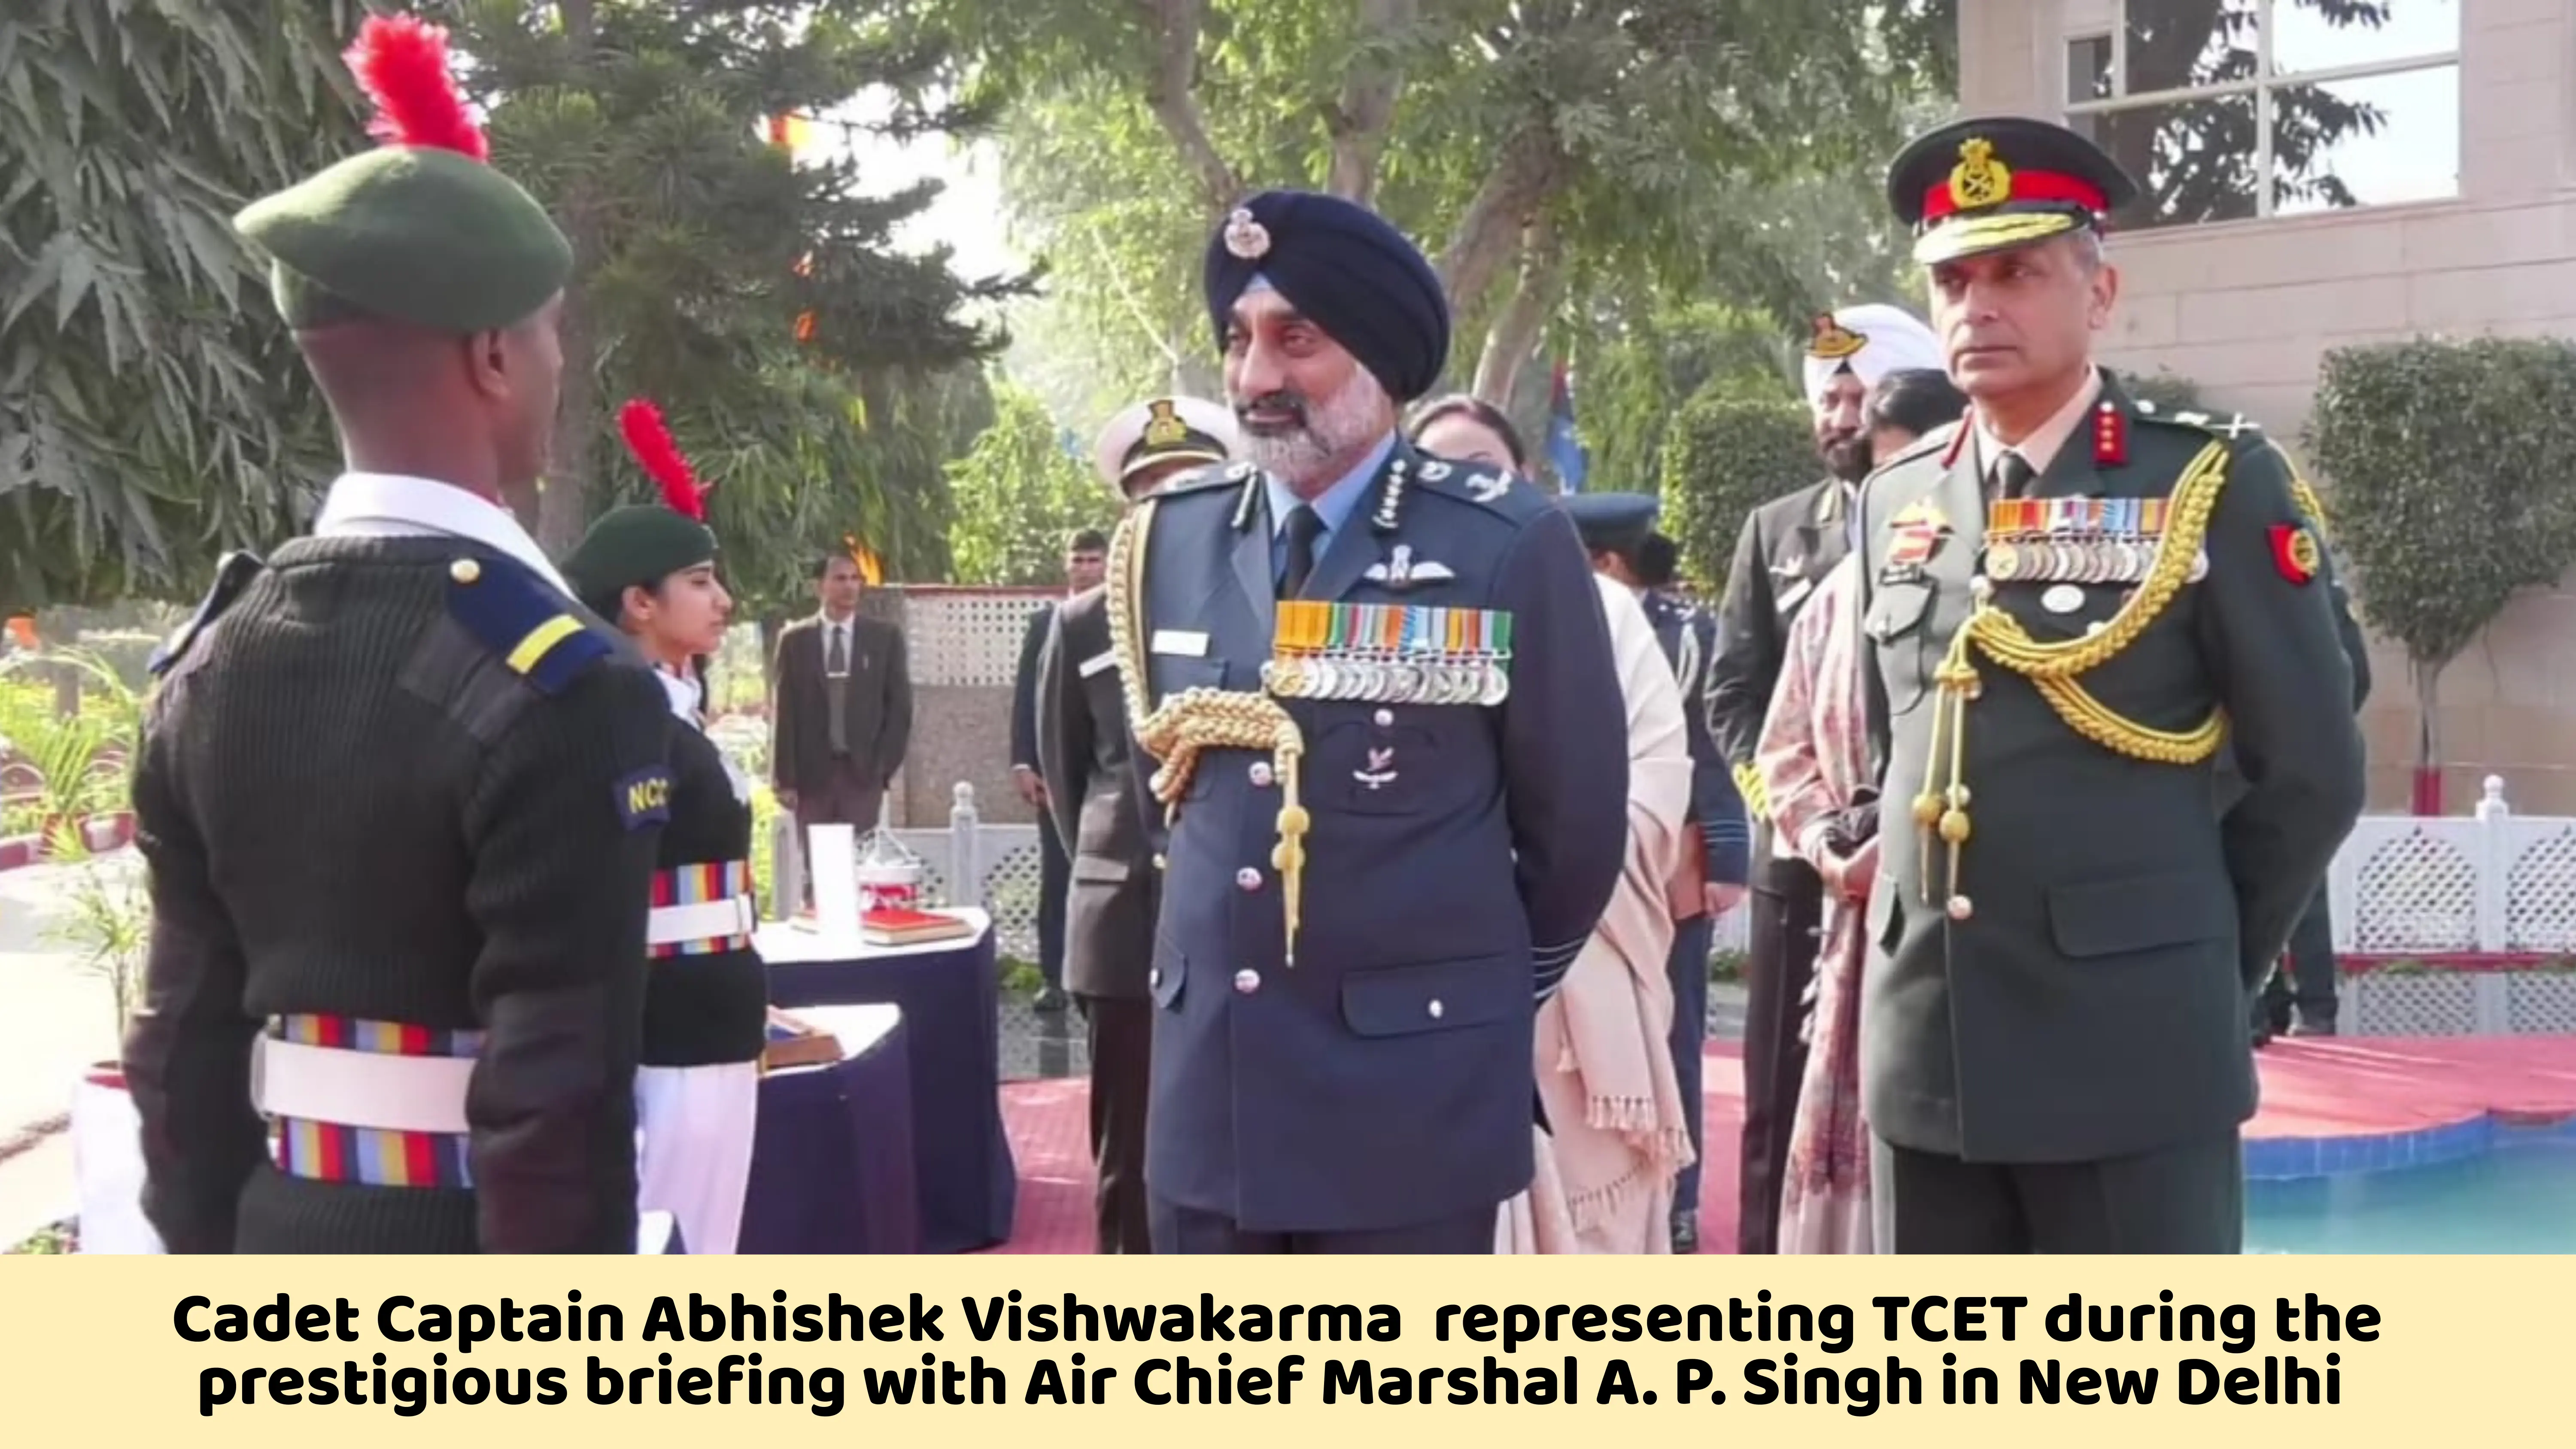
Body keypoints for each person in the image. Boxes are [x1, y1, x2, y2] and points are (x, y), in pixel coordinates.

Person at [122, 13, 673, 1254]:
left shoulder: (206, 667)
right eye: (546, 337)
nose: (551, 368)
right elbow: (557, 1106)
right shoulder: (563, 686)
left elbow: (180, 1050)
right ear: (491, 355)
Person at [1853, 115, 2365, 1253]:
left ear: (2100, 292)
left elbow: (2313, 773)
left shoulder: (2212, 479)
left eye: (2017, 271)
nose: (1978, 304)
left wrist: (2188, 955)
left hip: (2131, 1050)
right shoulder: (1896, 502)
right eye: (1952, 278)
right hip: (1928, 1045)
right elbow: (1900, 747)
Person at [1109, 189, 1630, 1253]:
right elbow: (1162, 797)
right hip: (1210, 1096)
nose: (1256, 377)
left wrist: (1460, 997)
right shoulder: (1169, 541)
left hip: (1403, 1104)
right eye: (1239, 340)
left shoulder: (1504, 543)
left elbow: (1574, 835)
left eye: (1295, 339)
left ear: (1379, 359)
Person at [1708, 300, 1942, 1255]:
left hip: (1926, 865)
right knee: (1777, 1093)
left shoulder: (1955, 513)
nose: (1839, 414)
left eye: (1856, 393)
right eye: (1827, 397)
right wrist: (1805, 825)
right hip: (1805, 865)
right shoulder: (1777, 531)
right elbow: (1734, 696)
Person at [1757, 365, 1967, 1255]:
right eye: (1888, 481)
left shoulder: (2004, 583)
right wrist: (1827, 847)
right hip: (1855, 934)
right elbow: (1782, 748)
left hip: (1981, 940)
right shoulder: (1832, 600)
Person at [561, 400, 767, 1256]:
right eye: (699, 582)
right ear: (638, 602)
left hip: (715, 1011)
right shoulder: (622, 722)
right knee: (673, 1240)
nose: (722, 601)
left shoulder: (671, 711)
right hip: (667, 1022)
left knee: (708, 1241)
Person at [1036, 394, 1240, 1254]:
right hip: (1124, 919)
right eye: (1150, 487)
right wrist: (1120, 862)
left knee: (1236, 1138)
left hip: (1235, 917)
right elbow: (1065, 773)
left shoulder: (1253, 605)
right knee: (1130, 1148)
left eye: (1188, 486)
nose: (1168, 503)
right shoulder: (1082, 621)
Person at [1556, 492, 1752, 1255]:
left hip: (1663, 856)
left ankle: (1677, 1196)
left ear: (1605, 562)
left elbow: (1707, 748)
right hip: (1569, 858)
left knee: (1670, 1028)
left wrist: (1727, 852)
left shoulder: (1680, 634)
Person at [1012, 530, 1115, 1012]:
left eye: (1095, 559)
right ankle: (1054, 977)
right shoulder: (1047, 623)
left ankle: (1103, 973)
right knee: (1057, 877)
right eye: (1079, 559)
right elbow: (1029, 699)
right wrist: (1025, 763)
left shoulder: (1122, 620)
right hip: (1055, 776)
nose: (1087, 567)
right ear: (1066, 566)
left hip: (1110, 779)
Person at [770, 550, 912, 862]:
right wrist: (785, 779)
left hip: (862, 773)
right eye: (840, 578)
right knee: (818, 868)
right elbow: (785, 712)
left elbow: (900, 708)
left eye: (855, 579)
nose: (849, 586)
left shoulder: (883, 638)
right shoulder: (796, 641)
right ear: (819, 586)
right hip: (813, 775)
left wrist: (882, 768)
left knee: (860, 863)